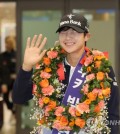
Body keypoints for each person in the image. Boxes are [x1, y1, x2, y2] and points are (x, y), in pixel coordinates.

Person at [12, 13, 119, 134]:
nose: (68, 37)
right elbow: (19, 98)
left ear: (87, 36)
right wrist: (26, 66)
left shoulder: (100, 67)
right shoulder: (49, 66)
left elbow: (112, 112)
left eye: (75, 32)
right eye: (63, 32)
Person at [0, 36, 16, 123]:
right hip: (6, 82)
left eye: (8, 43)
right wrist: (3, 83)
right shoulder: (2, 56)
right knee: (5, 98)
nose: (7, 45)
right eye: (6, 43)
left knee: (16, 98)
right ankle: (13, 111)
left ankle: (16, 114)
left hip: (16, 81)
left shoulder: (17, 54)